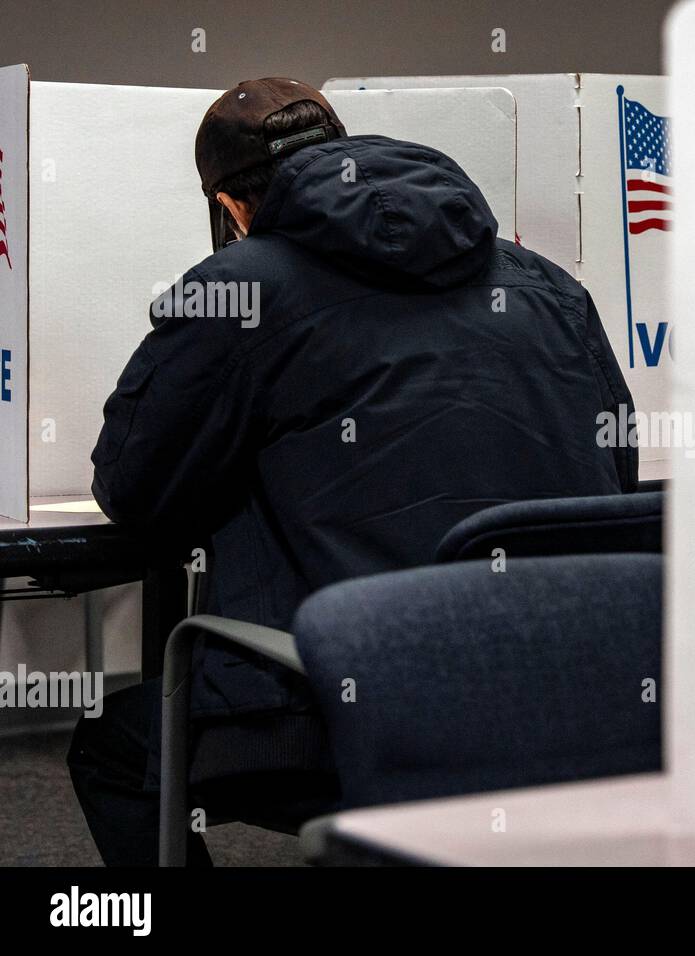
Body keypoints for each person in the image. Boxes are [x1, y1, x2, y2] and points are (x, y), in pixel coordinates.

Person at [67, 78, 637, 866]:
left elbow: (132, 488)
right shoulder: (546, 285)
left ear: (232, 206)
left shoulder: (240, 290)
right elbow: (620, 470)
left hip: (360, 709)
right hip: (584, 704)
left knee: (116, 748)